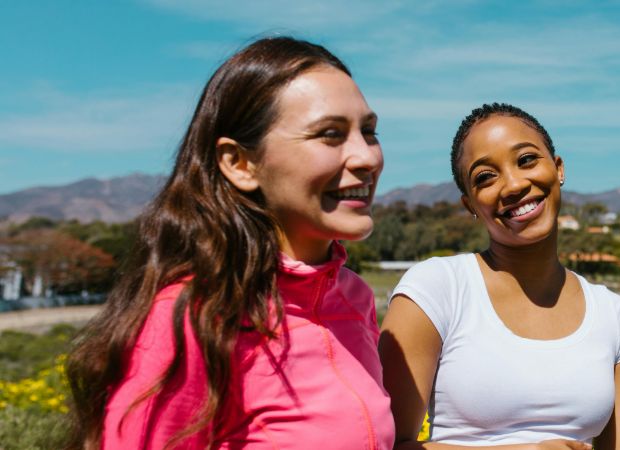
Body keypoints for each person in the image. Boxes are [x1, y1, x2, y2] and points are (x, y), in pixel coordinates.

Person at [65, 37, 394, 449]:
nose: (367, 157)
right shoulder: (194, 317)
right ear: (240, 164)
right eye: (329, 135)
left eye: (369, 131)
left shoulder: (354, 298)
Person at [379, 103, 620, 450]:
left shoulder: (615, 315)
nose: (514, 184)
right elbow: (378, 443)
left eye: (527, 160)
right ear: (470, 204)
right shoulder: (435, 289)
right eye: (486, 177)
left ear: (558, 168)